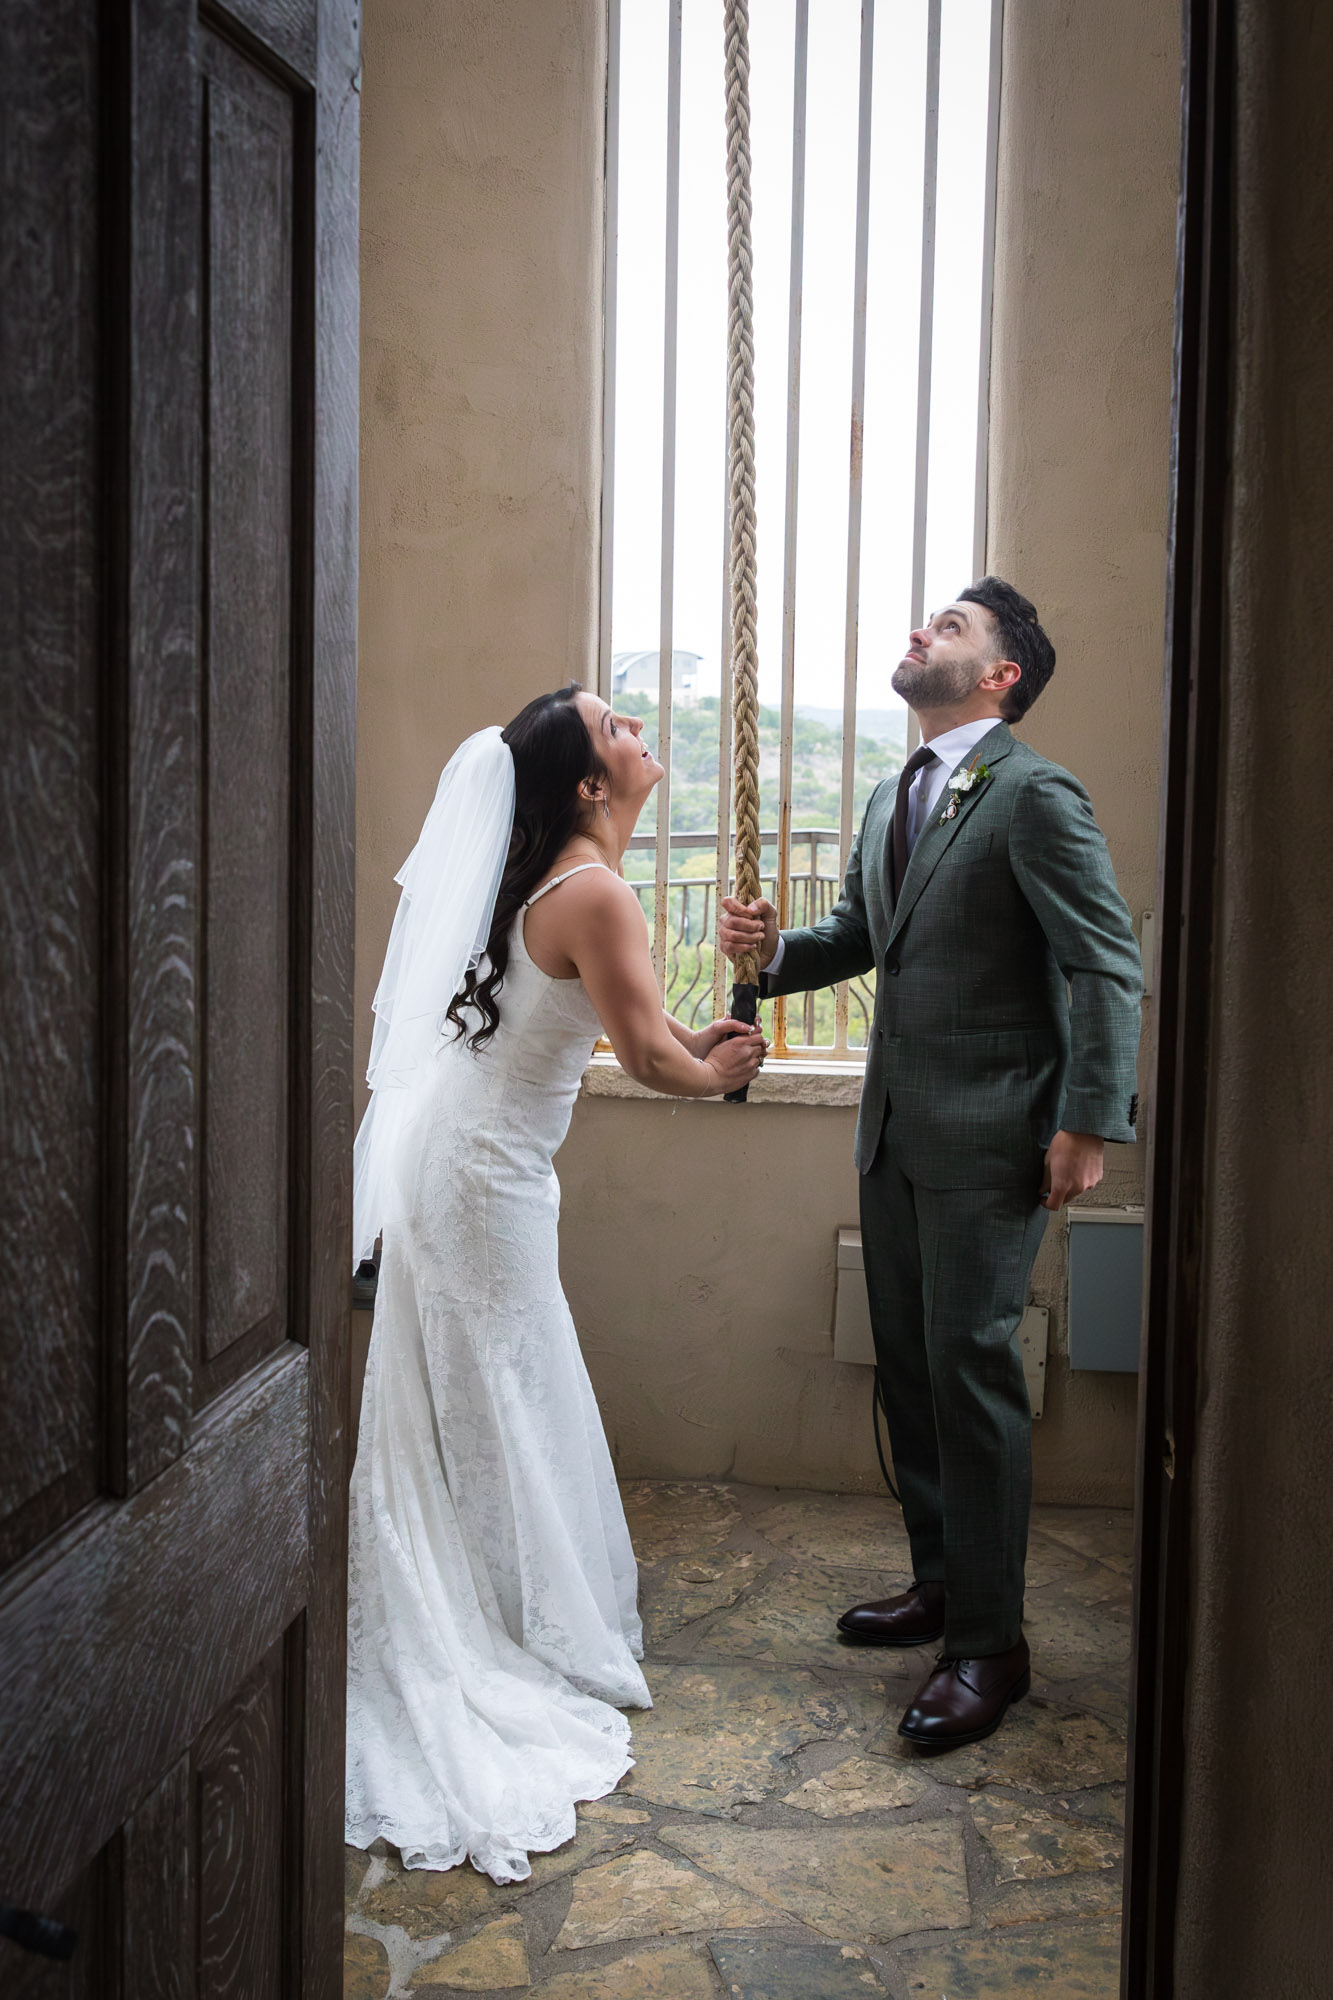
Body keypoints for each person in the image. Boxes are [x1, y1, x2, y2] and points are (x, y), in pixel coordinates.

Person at [346, 684, 764, 1882]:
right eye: (618, 728)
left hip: (469, 1160)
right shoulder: (598, 890)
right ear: (590, 785)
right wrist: (718, 1072)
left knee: (493, 1379)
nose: (640, 733)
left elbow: (625, 1025)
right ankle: (510, 1624)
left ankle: (499, 1592)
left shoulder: (556, 880)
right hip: (483, 1177)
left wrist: (706, 1043)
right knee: (511, 1381)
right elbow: (644, 1055)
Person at [720, 578, 1141, 1749]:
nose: (921, 631)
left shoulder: (1035, 793)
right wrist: (775, 950)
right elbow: (863, 935)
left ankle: (989, 1645)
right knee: (908, 1370)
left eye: (952, 627)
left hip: (997, 1133)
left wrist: (1087, 1122)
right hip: (895, 1130)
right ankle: (943, 1583)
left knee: (969, 1370)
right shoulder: (892, 789)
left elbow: (1107, 964)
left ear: (1002, 675)